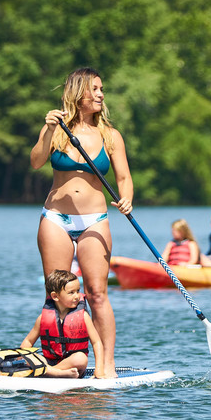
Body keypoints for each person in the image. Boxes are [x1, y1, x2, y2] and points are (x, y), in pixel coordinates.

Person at [30, 67, 133, 379]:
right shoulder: (57, 129)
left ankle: (105, 365)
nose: (101, 95)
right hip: (55, 220)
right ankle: (57, 365)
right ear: (79, 93)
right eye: (95, 89)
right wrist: (48, 131)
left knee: (97, 293)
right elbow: (36, 162)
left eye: (102, 89)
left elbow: (124, 178)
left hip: (94, 221)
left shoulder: (110, 136)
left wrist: (127, 199)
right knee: (56, 295)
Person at [21, 269, 104, 379]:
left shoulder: (83, 316)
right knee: (26, 358)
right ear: (55, 296)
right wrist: (25, 357)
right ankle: (57, 373)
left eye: (78, 291)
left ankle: (48, 372)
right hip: (49, 362)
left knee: (81, 358)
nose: (77, 296)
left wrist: (99, 369)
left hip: (72, 365)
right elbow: (27, 341)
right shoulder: (42, 319)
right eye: (71, 292)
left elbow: (96, 342)